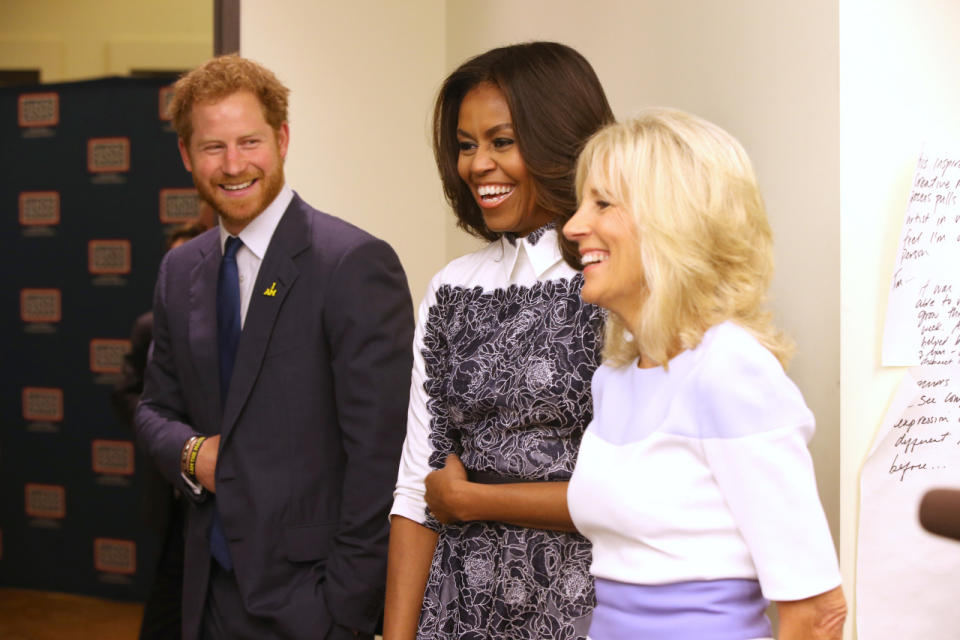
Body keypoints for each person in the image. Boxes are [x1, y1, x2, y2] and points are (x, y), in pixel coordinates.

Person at [135, 55, 414, 640]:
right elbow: (153, 408)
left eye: (249, 141)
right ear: (187, 155)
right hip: (204, 593)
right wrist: (192, 455)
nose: (233, 165)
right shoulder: (180, 269)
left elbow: (380, 456)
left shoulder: (352, 264)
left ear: (282, 139)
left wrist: (344, 611)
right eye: (213, 147)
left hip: (310, 604)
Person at [562, 110, 847, 639]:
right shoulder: (615, 378)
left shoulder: (730, 368)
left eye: (602, 203)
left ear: (671, 221)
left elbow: (817, 614)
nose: (574, 227)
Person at [384, 42, 614, 640]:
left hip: (587, 607)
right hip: (458, 608)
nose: (477, 164)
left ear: (561, 139)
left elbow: (632, 492)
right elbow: (416, 489)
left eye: (501, 141)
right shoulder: (451, 287)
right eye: (466, 145)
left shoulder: (616, 284)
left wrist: (472, 500)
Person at [112, 219, 209, 640]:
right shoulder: (148, 326)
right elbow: (128, 392)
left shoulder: (231, 328)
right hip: (171, 492)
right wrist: (166, 434)